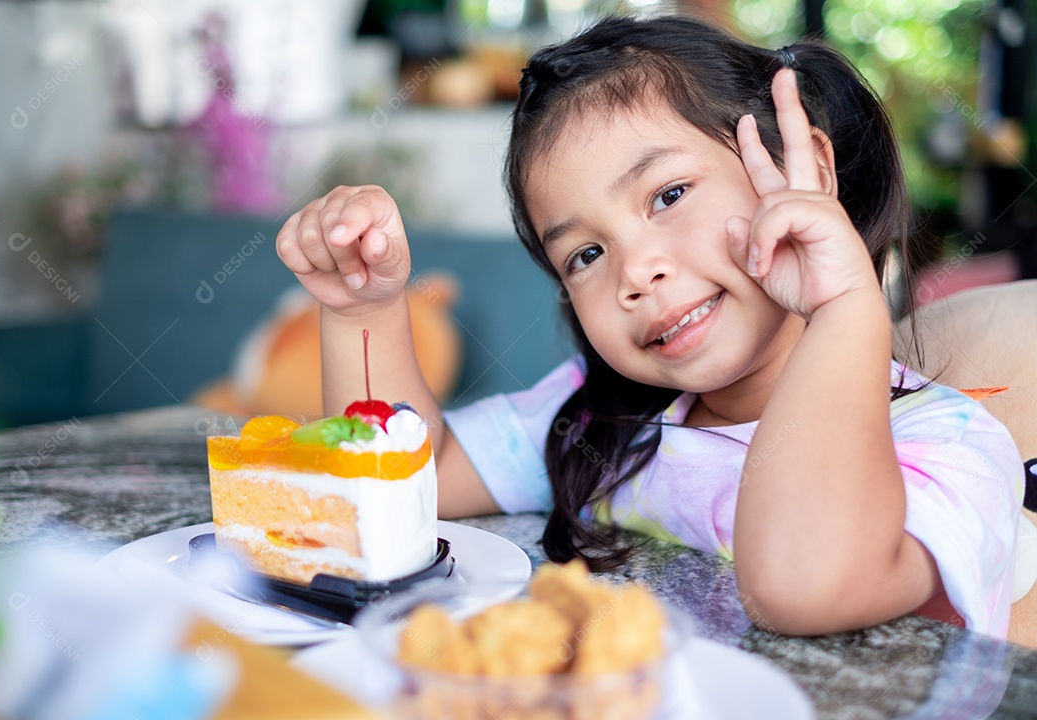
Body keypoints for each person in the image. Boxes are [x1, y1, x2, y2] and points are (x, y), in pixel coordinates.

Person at [275, 16, 1024, 638]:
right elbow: (413, 485)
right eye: (587, 253)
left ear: (806, 174)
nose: (635, 273)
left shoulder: (944, 447)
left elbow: (803, 585)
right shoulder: (601, 424)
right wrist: (363, 310)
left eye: (668, 194)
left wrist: (843, 308)